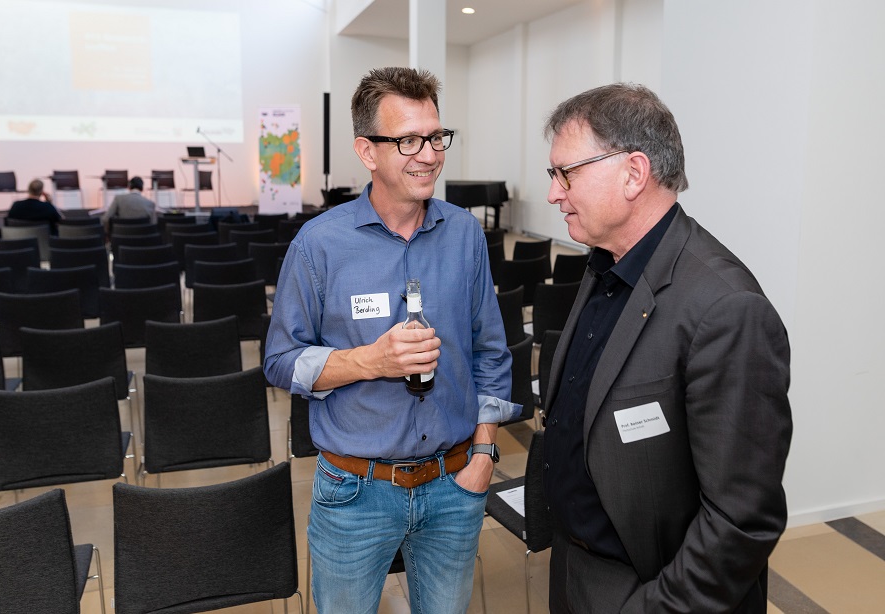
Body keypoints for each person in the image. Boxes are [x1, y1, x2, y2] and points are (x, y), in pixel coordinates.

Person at [264, 66, 518, 614]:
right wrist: (369, 361)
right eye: (408, 141)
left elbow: (491, 352)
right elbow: (281, 361)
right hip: (355, 493)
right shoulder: (319, 245)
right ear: (367, 151)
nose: (429, 155)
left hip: (455, 484)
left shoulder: (465, 235)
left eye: (436, 137)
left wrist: (483, 454)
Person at [541, 83, 792, 613]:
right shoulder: (605, 263)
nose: (553, 193)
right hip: (575, 570)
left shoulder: (727, 308)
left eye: (567, 173)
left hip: (654, 593)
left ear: (634, 173)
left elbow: (740, 521)